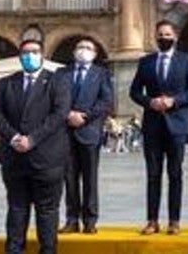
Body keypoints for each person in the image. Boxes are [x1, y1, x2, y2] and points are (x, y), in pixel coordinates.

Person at [0, 38, 71, 254]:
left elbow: (59, 114)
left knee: (47, 211)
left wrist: (33, 139)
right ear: (19, 57)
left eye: (34, 51)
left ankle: (47, 250)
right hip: (14, 158)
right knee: (17, 208)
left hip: (47, 159)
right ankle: (15, 249)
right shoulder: (7, 83)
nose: (30, 56)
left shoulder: (57, 81)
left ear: (42, 55)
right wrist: (14, 138)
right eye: (25, 52)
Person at [129, 21, 188, 235]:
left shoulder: (186, 61)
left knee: (175, 174)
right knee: (153, 174)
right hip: (152, 125)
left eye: (167, 34)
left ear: (175, 37)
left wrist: (174, 101)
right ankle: (152, 220)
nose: (163, 37)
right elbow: (134, 91)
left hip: (177, 125)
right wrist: (149, 102)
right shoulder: (146, 62)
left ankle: (174, 221)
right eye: (160, 34)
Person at [57, 38, 114, 235]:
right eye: (80, 47)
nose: (84, 51)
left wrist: (85, 116)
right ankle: (71, 219)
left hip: (89, 131)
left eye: (88, 48)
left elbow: (105, 101)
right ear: (74, 51)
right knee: (69, 178)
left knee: (90, 178)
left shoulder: (102, 74)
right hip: (65, 132)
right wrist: (67, 114)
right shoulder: (62, 73)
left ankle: (90, 220)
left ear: (95, 53)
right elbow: (54, 98)